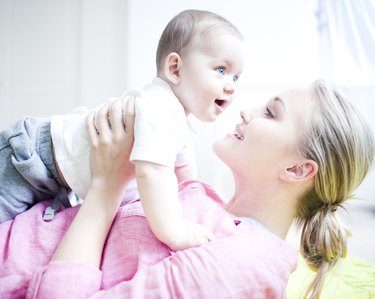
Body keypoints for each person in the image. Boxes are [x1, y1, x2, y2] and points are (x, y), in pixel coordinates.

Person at [0, 80, 373, 299]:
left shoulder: (240, 266)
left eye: (271, 113)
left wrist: (105, 187)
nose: (246, 111)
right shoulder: (209, 208)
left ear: (297, 169)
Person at [0, 10, 245, 250]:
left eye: (236, 77)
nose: (231, 86)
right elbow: (152, 174)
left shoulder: (179, 119)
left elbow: (185, 176)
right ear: (175, 69)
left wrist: (197, 203)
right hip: (29, 158)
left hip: (57, 177)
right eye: (221, 70)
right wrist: (175, 231)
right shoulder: (160, 108)